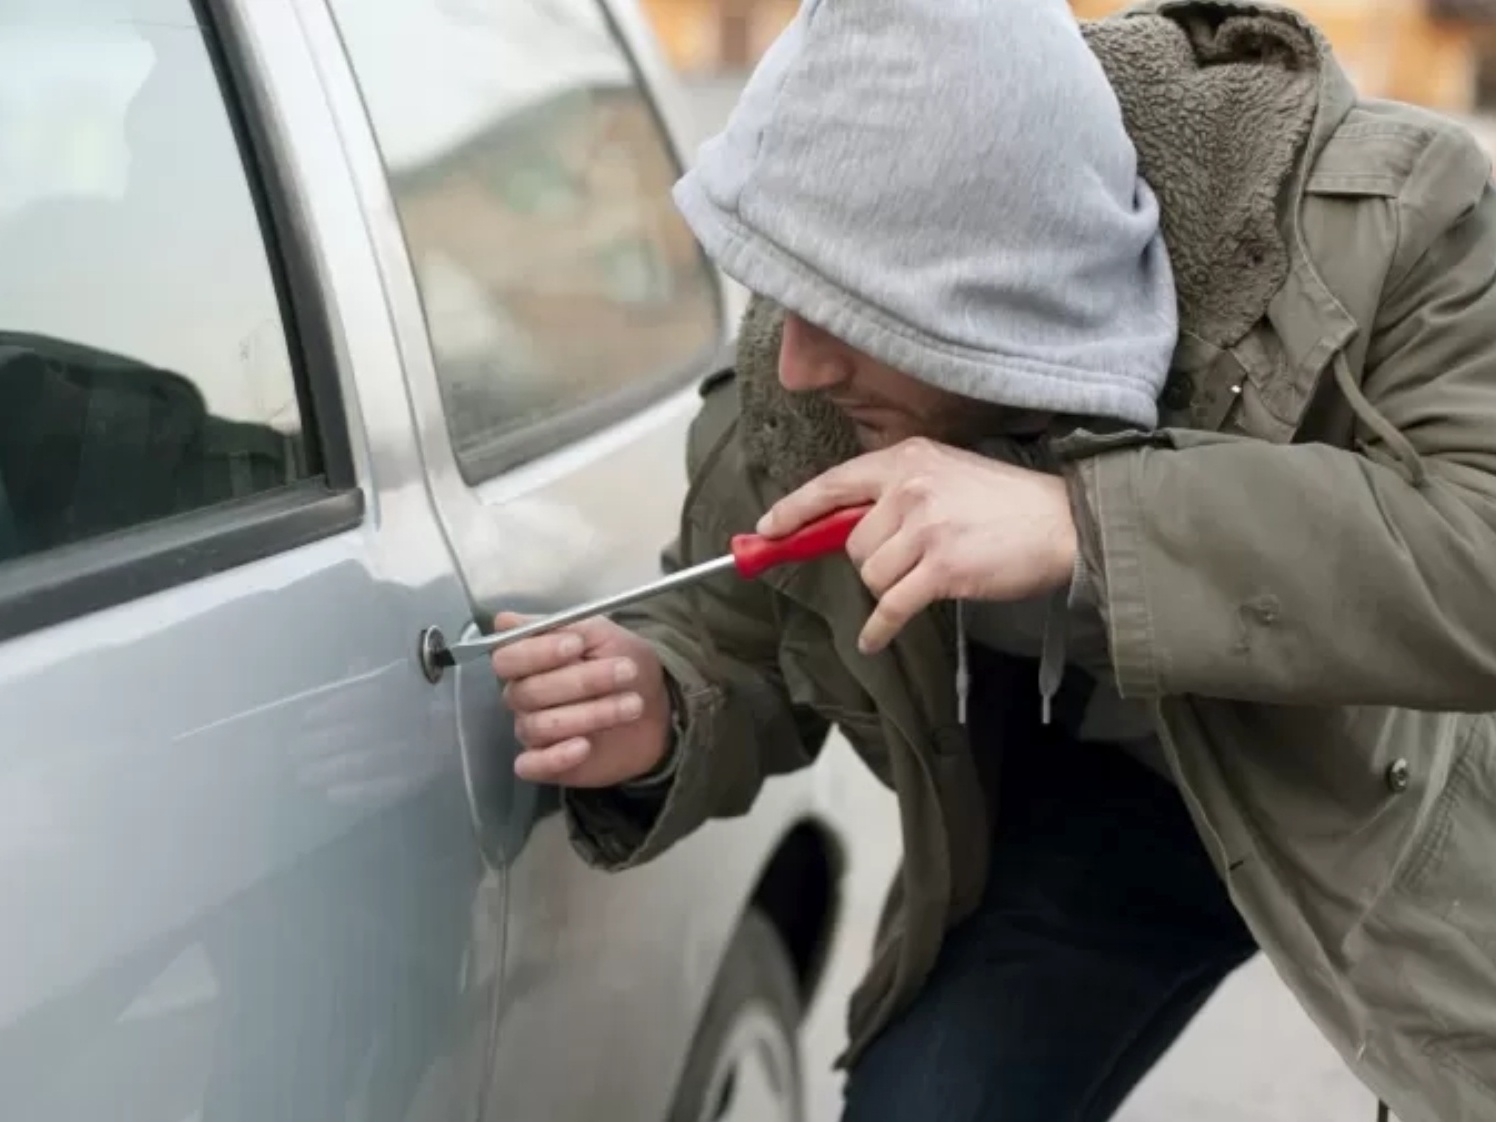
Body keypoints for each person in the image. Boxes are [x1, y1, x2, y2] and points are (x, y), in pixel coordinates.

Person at [491, 1, 1496, 1119]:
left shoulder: (1387, 223)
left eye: (853, 305)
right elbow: (737, 633)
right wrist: (658, 710)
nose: (803, 361)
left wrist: (1078, 524)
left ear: (1000, 284)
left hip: (1394, 796)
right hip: (1100, 814)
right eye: (788, 290)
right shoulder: (797, 395)